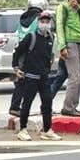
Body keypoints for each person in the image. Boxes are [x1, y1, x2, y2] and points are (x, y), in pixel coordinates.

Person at [12, 11, 62, 141]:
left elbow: (48, 55)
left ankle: (47, 130)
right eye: (42, 21)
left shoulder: (51, 37)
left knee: (47, 103)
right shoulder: (31, 37)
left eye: (47, 22)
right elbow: (17, 51)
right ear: (38, 23)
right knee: (27, 103)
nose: (45, 24)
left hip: (44, 77)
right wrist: (16, 68)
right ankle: (23, 129)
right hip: (31, 76)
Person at [9, 0, 48, 117]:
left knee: (21, 79)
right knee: (32, 81)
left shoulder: (23, 18)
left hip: (21, 51)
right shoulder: (38, 18)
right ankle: (16, 107)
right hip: (32, 52)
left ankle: (15, 106)